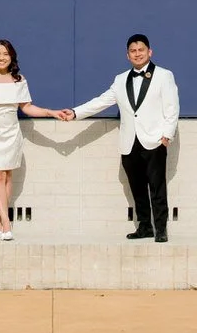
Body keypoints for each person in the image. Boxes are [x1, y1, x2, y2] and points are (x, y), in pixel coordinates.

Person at [58, 34, 180, 242]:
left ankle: (160, 229)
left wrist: (166, 136)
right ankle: (144, 226)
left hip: (154, 140)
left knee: (157, 187)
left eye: (141, 49)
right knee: (137, 186)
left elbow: (172, 107)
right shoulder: (121, 79)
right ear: (127, 55)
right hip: (129, 141)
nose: (137, 53)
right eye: (133, 50)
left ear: (149, 52)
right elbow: (102, 101)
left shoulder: (164, 75)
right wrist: (75, 112)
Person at [0, 39, 61, 241]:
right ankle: (7, 221)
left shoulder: (19, 79)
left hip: (11, 132)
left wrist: (50, 112)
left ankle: (1, 222)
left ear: (12, 57)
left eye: (5, 54)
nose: (1, 58)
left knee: (7, 175)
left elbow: (27, 107)